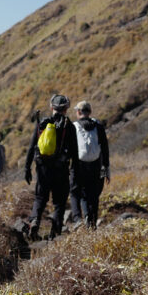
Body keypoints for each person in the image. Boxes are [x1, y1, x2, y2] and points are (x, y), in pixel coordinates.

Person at [24, 94, 78, 240]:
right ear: (66, 109)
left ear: (51, 107)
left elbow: (31, 147)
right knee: (59, 202)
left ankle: (35, 220)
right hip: (61, 170)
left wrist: (27, 168)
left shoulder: (42, 123)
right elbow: (75, 153)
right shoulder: (70, 126)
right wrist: (75, 172)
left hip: (42, 169)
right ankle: (55, 233)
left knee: (40, 198)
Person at [69, 100, 110, 229]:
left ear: (79, 112)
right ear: (89, 112)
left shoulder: (74, 126)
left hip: (79, 165)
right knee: (94, 194)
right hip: (96, 164)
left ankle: (77, 219)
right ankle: (92, 222)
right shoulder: (98, 126)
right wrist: (106, 167)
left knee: (76, 191)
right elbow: (105, 147)